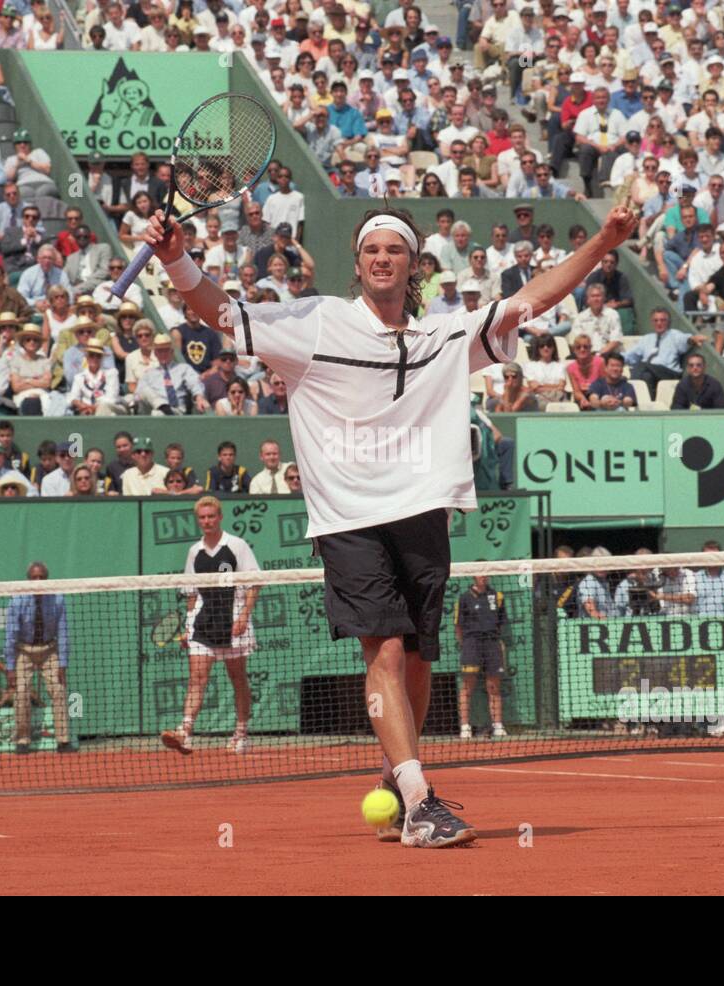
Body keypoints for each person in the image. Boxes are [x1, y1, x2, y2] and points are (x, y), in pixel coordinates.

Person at [140, 199, 637, 848]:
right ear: (358, 262)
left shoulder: (445, 334)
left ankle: (399, 785)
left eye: (394, 250)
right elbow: (221, 313)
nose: (382, 258)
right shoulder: (315, 323)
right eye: (372, 249)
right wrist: (175, 257)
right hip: (350, 520)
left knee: (420, 659)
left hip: (424, 513)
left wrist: (604, 239)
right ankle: (421, 801)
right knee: (387, 649)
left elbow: (531, 300)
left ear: (414, 266)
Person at [162, 496, 261, 756]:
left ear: (219, 517)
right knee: (196, 678)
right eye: (202, 518)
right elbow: (191, 592)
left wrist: (243, 617)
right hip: (203, 622)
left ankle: (241, 734)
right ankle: (184, 731)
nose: (207, 521)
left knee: (238, 679)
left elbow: (255, 583)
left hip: (233, 620)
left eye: (211, 516)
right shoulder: (195, 551)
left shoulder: (237, 546)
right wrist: (188, 625)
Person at [4, 561, 73, 754]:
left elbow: (63, 631)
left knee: (59, 690)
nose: (38, 580)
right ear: (28, 579)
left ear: (46, 579)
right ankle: (23, 740)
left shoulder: (57, 599)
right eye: (34, 577)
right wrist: (10, 666)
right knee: (21, 692)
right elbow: (11, 633)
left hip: (49, 649)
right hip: (24, 650)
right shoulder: (17, 599)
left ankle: (63, 741)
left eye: (41, 577)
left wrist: (63, 663)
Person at [455, 575, 508, 740]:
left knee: (494, 686)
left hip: (492, 643)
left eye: (487, 573)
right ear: (474, 576)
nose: (484, 576)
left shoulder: (497, 597)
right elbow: (458, 626)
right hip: (472, 643)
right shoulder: (464, 598)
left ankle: (498, 726)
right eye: (481, 573)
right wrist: (466, 644)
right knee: (467, 687)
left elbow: (500, 623)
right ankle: (465, 727)